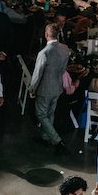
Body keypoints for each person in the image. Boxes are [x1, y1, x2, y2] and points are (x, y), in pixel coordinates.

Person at [30, 23, 70, 154]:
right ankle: (45, 138)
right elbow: (63, 68)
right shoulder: (65, 49)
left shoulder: (44, 52)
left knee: (41, 114)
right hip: (58, 86)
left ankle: (57, 141)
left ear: (46, 35)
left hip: (45, 89)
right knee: (50, 113)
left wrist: (32, 89)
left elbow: (37, 74)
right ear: (58, 34)